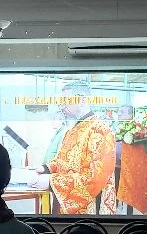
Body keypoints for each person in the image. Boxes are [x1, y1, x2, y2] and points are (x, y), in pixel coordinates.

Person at [30, 84, 115, 214]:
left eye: (65, 100)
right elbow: (62, 160)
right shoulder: (72, 130)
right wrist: (46, 168)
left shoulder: (100, 130)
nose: (62, 106)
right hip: (65, 200)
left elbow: (95, 178)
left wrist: (51, 181)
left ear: (82, 101)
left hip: (89, 207)